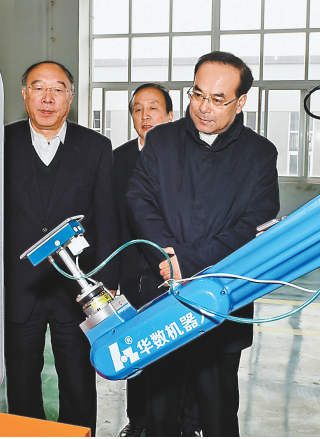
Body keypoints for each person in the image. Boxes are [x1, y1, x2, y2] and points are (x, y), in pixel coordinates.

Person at [126, 51, 280, 437]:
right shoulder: (161, 141)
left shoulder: (260, 154)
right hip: (164, 295)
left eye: (217, 99)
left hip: (223, 299)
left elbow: (255, 222)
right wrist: (167, 256)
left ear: (241, 102)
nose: (203, 107)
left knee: (217, 411)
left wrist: (188, 260)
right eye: (197, 94)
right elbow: (139, 200)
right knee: (160, 412)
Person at [0, 61, 119, 433]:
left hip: (77, 287)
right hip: (20, 287)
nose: (47, 98)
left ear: (70, 96)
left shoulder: (96, 147)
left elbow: (108, 218)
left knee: (78, 379)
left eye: (57, 89)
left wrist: (109, 283)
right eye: (38, 88)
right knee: (21, 380)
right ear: (25, 94)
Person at [114, 83, 173, 437]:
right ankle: (137, 422)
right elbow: (110, 220)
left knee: (174, 353)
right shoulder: (117, 159)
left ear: (170, 115)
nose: (145, 115)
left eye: (153, 108)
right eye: (138, 109)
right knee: (136, 350)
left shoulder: (187, 157)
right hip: (132, 277)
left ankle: (178, 425)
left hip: (176, 275)